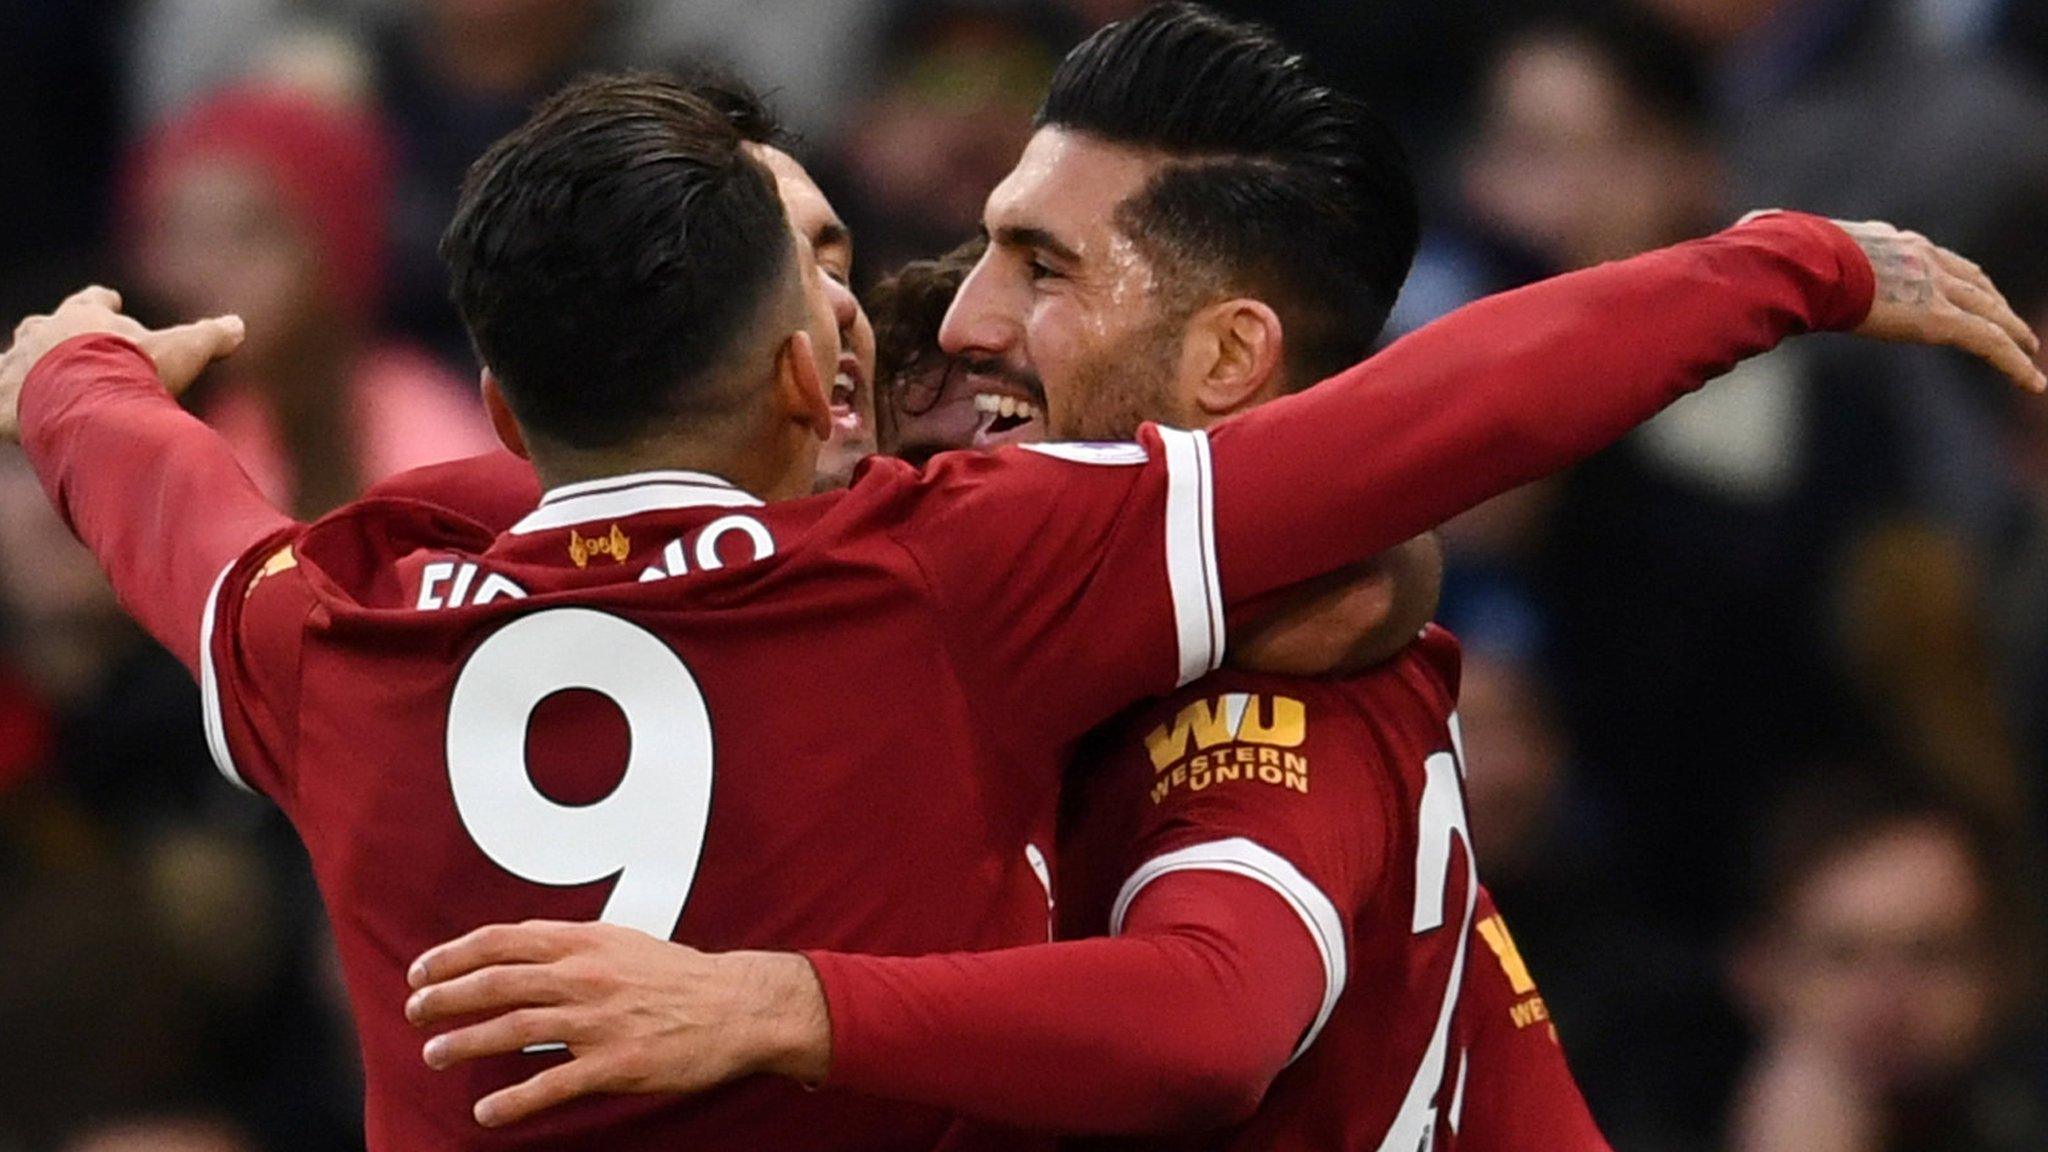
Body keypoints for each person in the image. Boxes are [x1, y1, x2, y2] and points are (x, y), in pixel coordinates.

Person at [2, 43, 2031, 1152]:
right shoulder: (955, 582)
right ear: (811, 372)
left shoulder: (341, 628)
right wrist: (1787, 264)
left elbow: (182, 526)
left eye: (1033, 268)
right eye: (851, 261)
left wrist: (73, 376)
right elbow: (1433, 419)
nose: (940, 312)